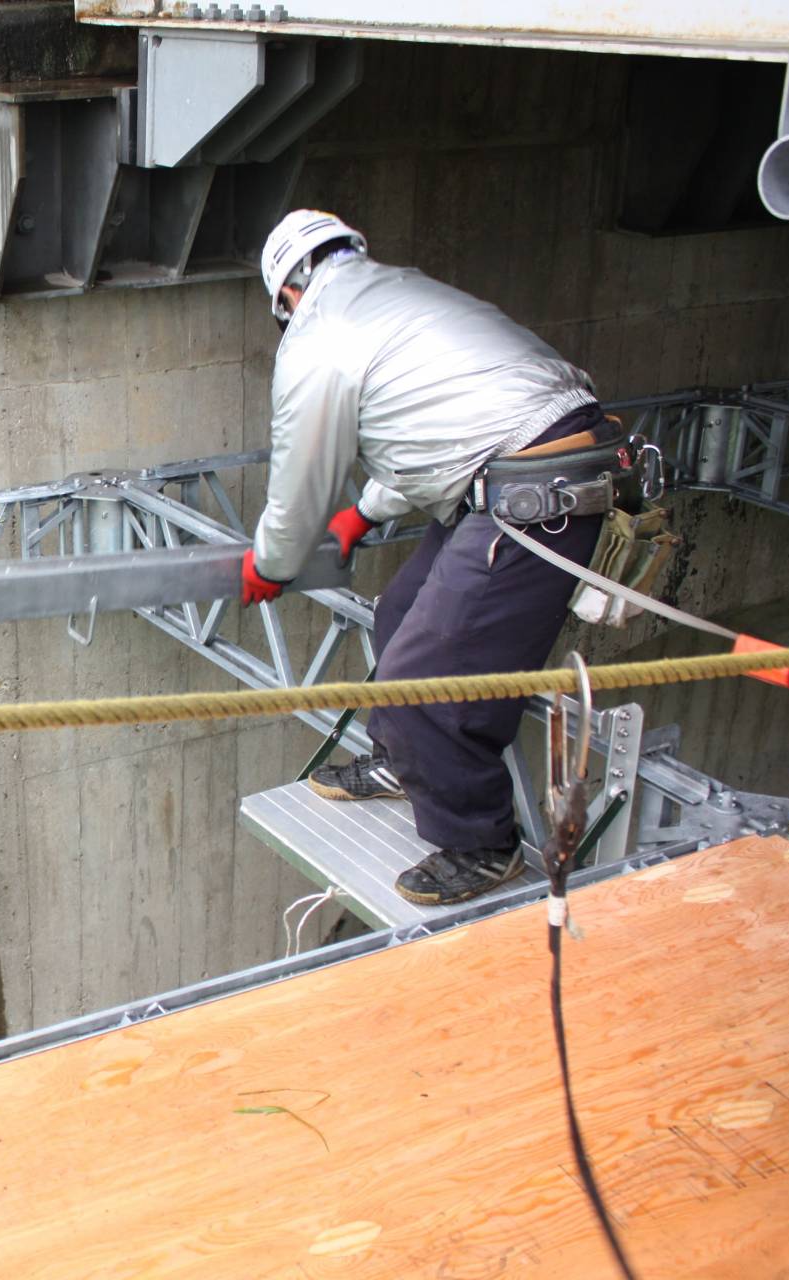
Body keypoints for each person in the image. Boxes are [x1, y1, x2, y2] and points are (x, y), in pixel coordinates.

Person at [242, 211, 623, 907]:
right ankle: (402, 760)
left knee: (426, 675)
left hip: (537, 490)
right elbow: (436, 431)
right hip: (513, 474)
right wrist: (365, 512)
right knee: (400, 615)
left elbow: (301, 479)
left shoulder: (318, 335)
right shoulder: (399, 294)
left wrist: (272, 562)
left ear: (284, 296)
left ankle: (481, 843)